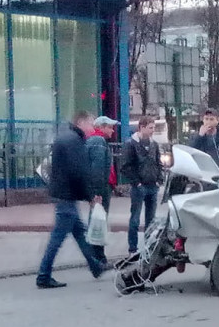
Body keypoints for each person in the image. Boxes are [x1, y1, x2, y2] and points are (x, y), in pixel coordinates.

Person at [36, 111, 106, 289]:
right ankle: (43, 276)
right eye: (91, 123)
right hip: (66, 196)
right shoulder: (74, 141)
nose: (93, 127)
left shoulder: (67, 138)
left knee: (80, 233)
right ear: (81, 122)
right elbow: (78, 172)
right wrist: (90, 196)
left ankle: (95, 266)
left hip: (64, 194)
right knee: (57, 239)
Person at [121, 116, 163, 255]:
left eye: (153, 128)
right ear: (142, 127)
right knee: (135, 218)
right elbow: (125, 166)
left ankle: (148, 247)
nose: (152, 131)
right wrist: (136, 182)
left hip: (152, 185)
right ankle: (132, 249)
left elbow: (159, 163)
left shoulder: (154, 144)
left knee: (151, 220)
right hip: (139, 186)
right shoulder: (131, 144)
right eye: (150, 128)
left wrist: (159, 179)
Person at [86, 116, 119, 266]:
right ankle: (97, 256)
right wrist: (98, 192)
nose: (112, 130)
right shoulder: (99, 142)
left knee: (97, 219)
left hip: (100, 187)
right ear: (102, 127)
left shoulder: (96, 141)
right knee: (98, 221)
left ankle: (96, 255)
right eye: (110, 127)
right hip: (101, 188)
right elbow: (98, 169)